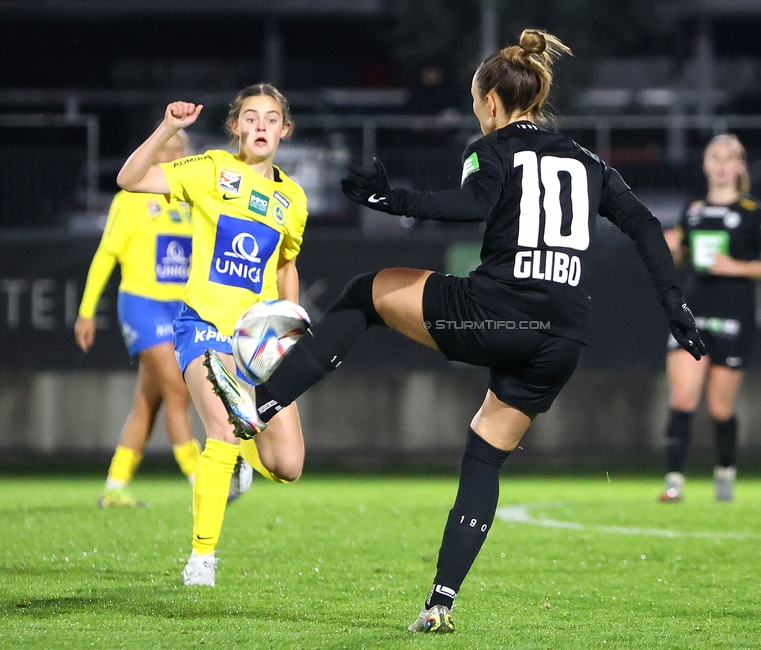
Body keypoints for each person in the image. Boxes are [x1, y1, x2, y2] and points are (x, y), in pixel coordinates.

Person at [204, 30, 704, 631]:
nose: (474, 109)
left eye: (474, 100)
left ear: (491, 102)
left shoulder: (489, 148)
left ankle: (259, 406)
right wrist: (673, 304)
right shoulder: (587, 159)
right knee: (485, 456)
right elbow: (647, 223)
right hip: (565, 335)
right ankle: (440, 601)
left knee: (366, 292)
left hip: (496, 312)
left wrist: (391, 200)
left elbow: (474, 205)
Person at [116, 83, 309, 587]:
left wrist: (290, 319)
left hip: (258, 344)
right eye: (251, 117)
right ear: (236, 127)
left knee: (288, 464)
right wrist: (168, 129)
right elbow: (129, 178)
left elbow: (287, 263)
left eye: (271, 118)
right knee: (222, 430)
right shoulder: (208, 170)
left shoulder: (293, 198)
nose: (261, 126)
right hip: (203, 328)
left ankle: (239, 470)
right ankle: (201, 559)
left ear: (285, 130)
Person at [657, 134, 761, 503]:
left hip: (734, 315)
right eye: (715, 156)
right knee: (682, 398)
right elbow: (684, 259)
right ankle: (674, 481)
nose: (722, 163)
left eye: (730, 157)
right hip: (694, 313)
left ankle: (725, 470)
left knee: (719, 408)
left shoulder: (754, 213)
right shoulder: (693, 210)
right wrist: (673, 249)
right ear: (705, 165)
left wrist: (736, 266)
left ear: (740, 166)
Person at [76, 131, 202, 507]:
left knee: (149, 402)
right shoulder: (130, 199)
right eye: (166, 147)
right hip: (142, 305)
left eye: (179, 149)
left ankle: (115, 486)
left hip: (180, 309)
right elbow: (105, 255)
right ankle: (202, 479)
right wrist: (86, 311)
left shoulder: (194, 200)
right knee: (179, 391)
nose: (173, 154)